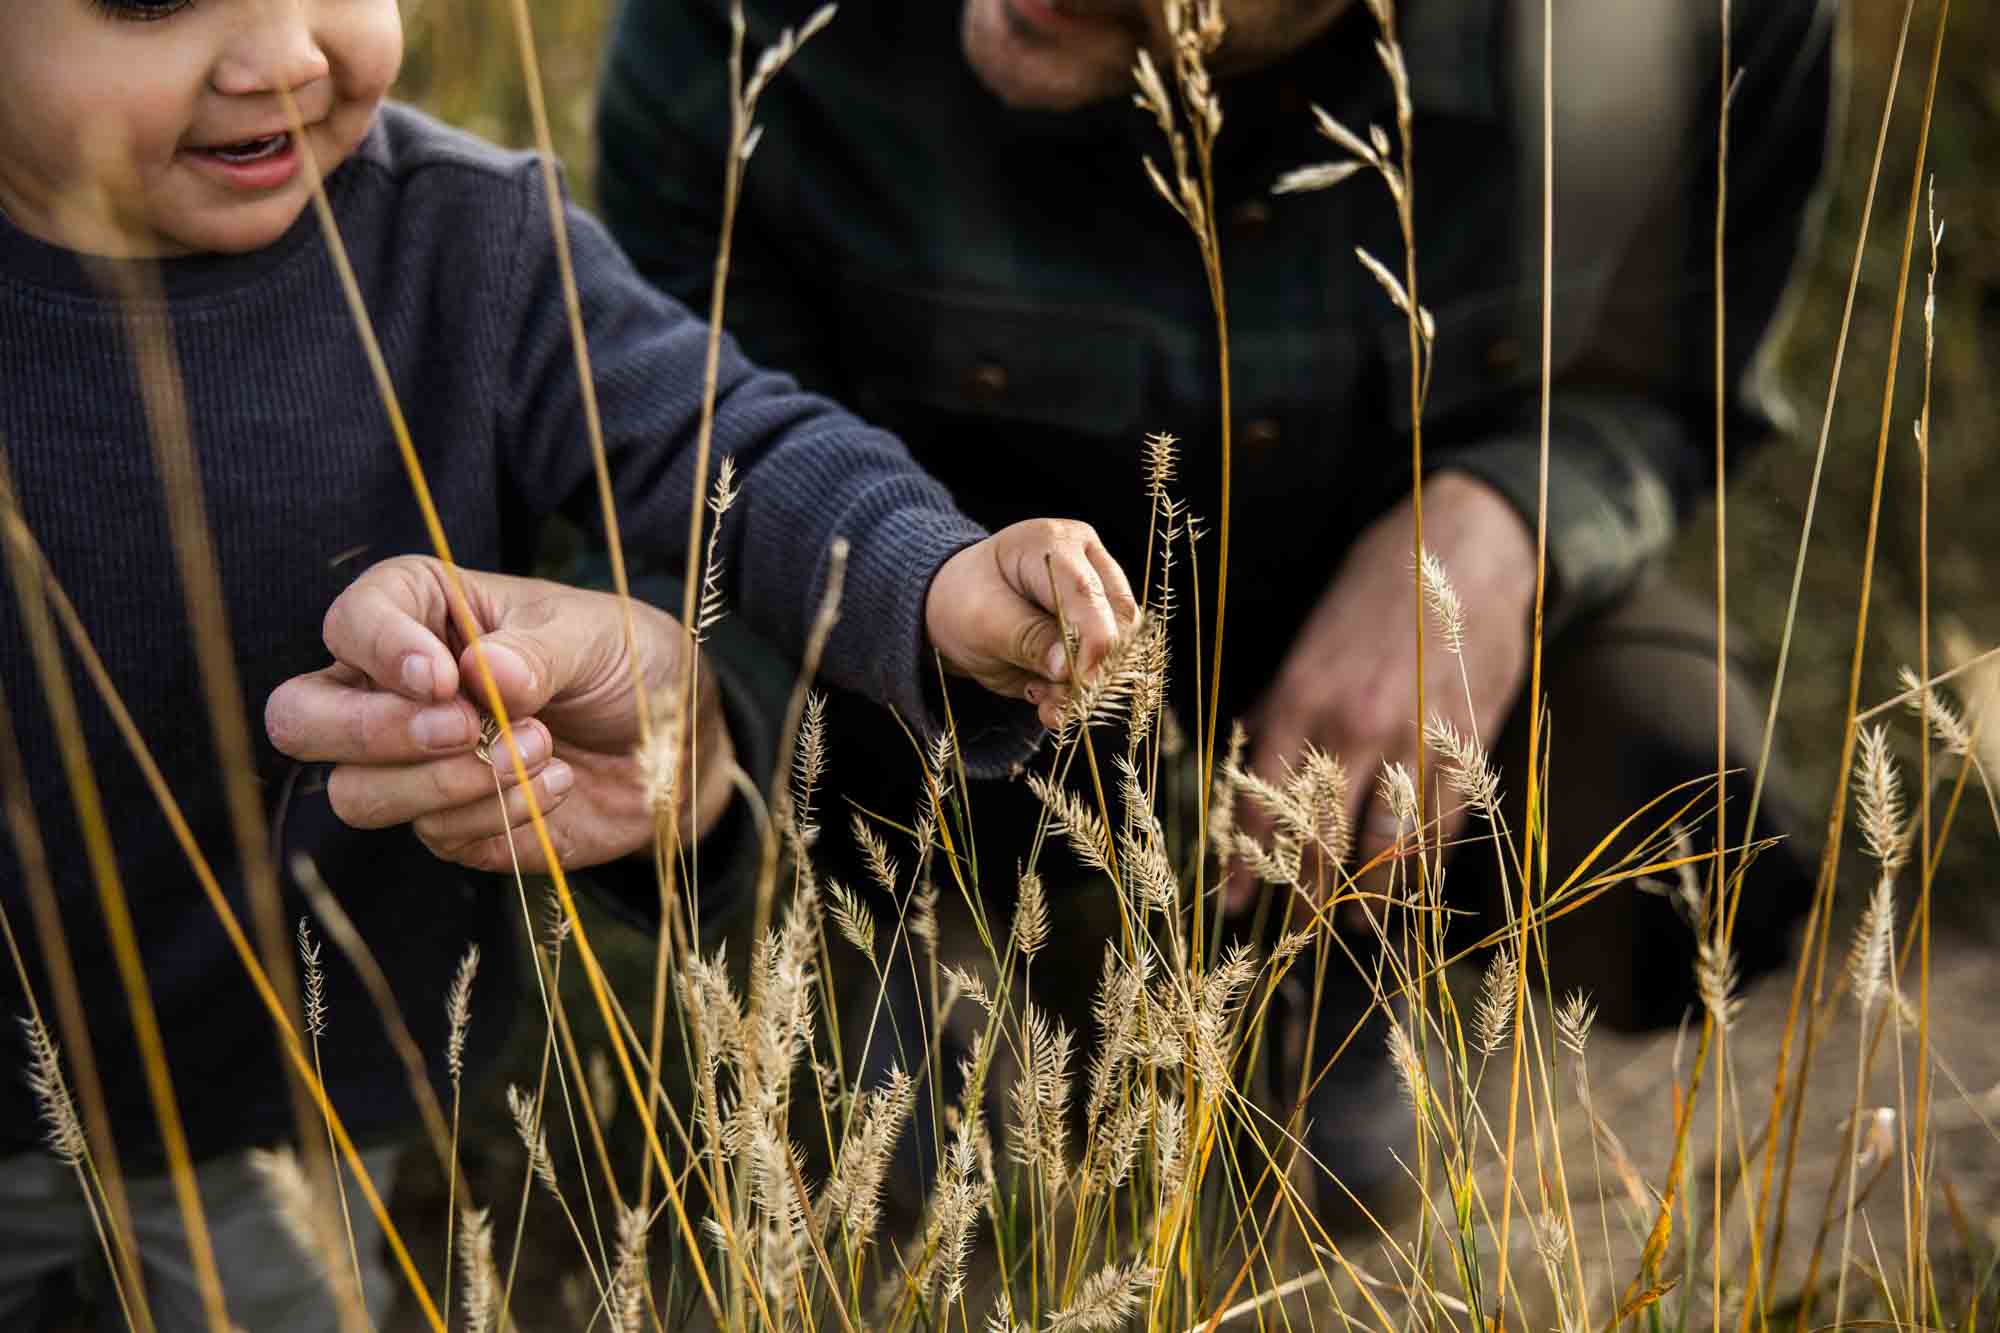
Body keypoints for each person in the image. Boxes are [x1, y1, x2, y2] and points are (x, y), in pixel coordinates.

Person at [591, 0, 1838, 1220]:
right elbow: (702, 455)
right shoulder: (739, 31)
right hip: (928, 679)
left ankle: (1331, 971)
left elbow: (1664, 381)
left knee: (1681, 801)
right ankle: (905, 936)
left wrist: (1504, 523)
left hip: (1366, 670)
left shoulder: (1706, 27)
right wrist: (710, 740)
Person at [0, 1, 1140, 1327]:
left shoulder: (465, 244)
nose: (293, 57)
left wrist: (929, 573)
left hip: (279, 1070)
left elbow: (732, 445)